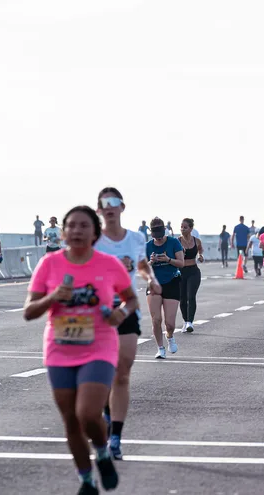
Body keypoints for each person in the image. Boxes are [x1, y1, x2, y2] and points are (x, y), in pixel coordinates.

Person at [24, 205, 136, 494]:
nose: (76, 231)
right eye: (71, 225)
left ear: (95, 233)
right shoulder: (49, 264)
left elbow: (131, 299)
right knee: (71, 420)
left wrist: (120, 314)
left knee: (87, 413)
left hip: (99, 344)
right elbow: (29, 312)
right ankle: (86, 479)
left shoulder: (109, 264)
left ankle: (101, 452)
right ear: (63, 232)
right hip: (59, 348)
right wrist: (53, 297)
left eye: (83, 225)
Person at [94, 188, 161, 461]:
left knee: (121, 373)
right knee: (102, 376)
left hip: (127, 308)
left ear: (122, 207)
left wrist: (150, 278)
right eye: (104, 203)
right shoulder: (92, 239)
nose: (109, 207)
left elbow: (142, 264)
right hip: (97, 311)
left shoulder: (136, 238)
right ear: (99, 209)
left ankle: (116, 437)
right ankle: (106, 418)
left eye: (114, 202)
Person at [146, 218, 184, 358]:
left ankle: (170, 336)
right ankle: (160, 348)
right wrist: (151, 262)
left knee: (170, 323)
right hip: (154, 283)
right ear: (151, 232)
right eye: (155, 230)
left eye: (160, 229)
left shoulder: (173, 242)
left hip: (172, 282)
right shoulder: (147, 246)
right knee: (156, 319)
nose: (159, 235)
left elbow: (181, 263)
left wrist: (167, 259)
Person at [178, 218, 204, 332]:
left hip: (194, 271)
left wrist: (200, 256)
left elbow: (200, 250)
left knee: (191, 296)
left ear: (191, 229)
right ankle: (185, 321)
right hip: (181, 272)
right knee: (182, 299)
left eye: (185, 227)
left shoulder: (197, 241)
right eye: (181, 227)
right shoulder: (177, 241)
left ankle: (190, 322)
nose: (182, 229)